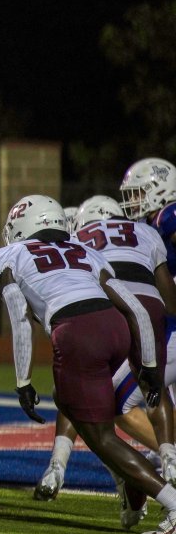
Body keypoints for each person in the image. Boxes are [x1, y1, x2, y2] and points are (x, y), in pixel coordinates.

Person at [0, 194, 175, 534]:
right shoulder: (85, 251)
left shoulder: (7, 256)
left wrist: (23, 380)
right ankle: (132, 476)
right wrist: (148, 362)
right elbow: (133, 307)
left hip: (77, 332)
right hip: (115, 329)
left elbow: (18, 313)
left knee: (101, 436)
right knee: (68, 399)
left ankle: (170, 501)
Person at [36, 194, 176, 498]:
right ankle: (166, 460)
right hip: (152, 310)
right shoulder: (146, 231)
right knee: (151, 386)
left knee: (92, 393)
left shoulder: (77, 241)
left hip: (113, 309)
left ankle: (61, 466)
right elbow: (169, 298)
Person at [121, 158, 176, 483]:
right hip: (167, 326)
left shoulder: (169, 216)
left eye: (140, 192)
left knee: (118, 400)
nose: (134, 200)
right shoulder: (152, 224)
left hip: (171, 328)